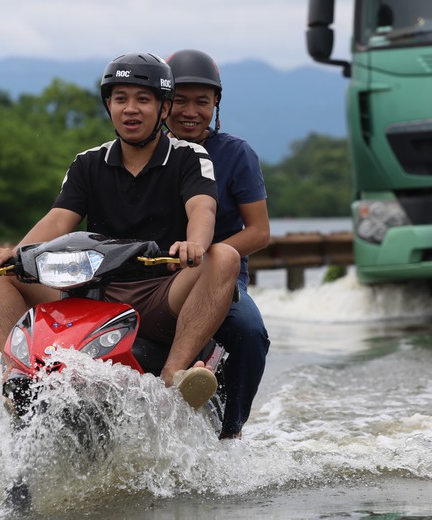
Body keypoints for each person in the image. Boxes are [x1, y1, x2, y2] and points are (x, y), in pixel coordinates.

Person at [0, 52, 240, 408]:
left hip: (161, 294)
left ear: (163, 109)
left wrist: (195, 243)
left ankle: (174, 374)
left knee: (224, 256)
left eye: (143, 99)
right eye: (120, 99)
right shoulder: (88, 162)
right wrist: (18, 253)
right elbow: (58, 219)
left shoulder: (189, 156)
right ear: (109, 106)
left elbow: (202, 207)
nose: (130, 109)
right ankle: (18, 373)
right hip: (89, 291)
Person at [165, 49, 271, 439]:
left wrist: (210, 256)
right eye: (179, 100)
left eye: (202, 102)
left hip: (218, 274)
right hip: (152, 274)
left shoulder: (236, 153)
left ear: (216, 105)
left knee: (249, 333)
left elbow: (259, 232)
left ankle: (231, 432)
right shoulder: (144, 151)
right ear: (162, 102)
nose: (190, 111)